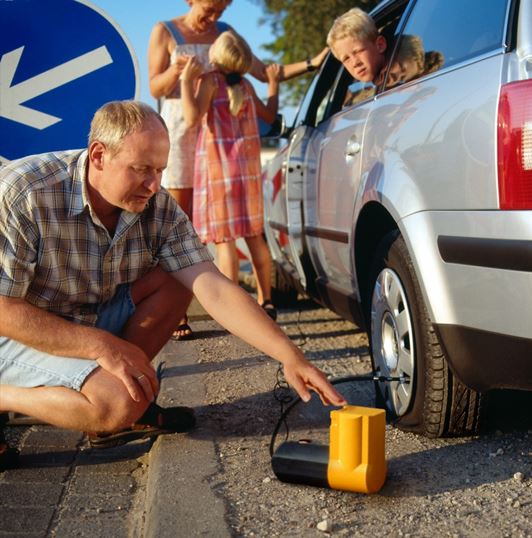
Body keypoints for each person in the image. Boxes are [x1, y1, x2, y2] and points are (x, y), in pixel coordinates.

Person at [0, 101, 346, 468]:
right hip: (15, 330)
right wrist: (102, 346)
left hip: (80, 318)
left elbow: (212, 286)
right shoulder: (25, 193)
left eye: (161, 170)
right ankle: (24, 398)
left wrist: (289, 356)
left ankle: (118, 399)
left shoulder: (156, 205)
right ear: (99, 155)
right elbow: (4, 311)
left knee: (180, 278)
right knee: (118, 402)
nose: (154, 185)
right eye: (141, 170)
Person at [148, 0, 326, 338]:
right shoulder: (164, 31)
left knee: (216, 231)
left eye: (221, 10)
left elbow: (262, 71)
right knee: (177, 226)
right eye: (210, 8)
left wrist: (311, 63)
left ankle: (230, 307)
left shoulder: (225, 36)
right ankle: (177, 313)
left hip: (211, 140)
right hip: (182, 134)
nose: (215, 16)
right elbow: (155, 86)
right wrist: (179, 72)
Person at [180, 30, 279, 319]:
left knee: (225, 243)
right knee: (253, 237)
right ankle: (267, 300)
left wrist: (186, 80)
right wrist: (273, 85)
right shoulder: (246, 85)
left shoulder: (210, 81)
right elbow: (270, 117)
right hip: (247, 174)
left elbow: (191, 118)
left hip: (218, 171)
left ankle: (233, 310)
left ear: (216, 57)